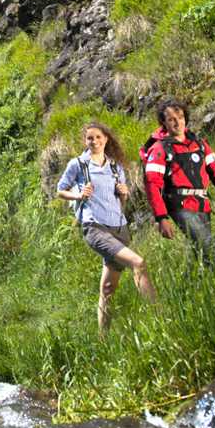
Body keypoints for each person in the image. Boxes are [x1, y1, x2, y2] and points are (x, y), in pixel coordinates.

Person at [57, 122, 157, 331]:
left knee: (108, 289)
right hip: (94, 227)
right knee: (138, 263)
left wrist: (124, 193)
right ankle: (161, 319)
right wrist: (79, 194)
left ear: (106, 139)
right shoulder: (78, 165)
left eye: (98, 138)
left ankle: (103, 341)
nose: (94, 142)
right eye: (89, 138)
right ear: (85, 141)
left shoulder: (114, 167)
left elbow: (120, 203)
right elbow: (61, 190)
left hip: (120, 229)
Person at [143, 100, 215, 271]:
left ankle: (199, 290)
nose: (177, 122)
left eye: (180, 117)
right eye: (171, 119)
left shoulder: (200, 144)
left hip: (202, 204)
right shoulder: (159, 149)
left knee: (202, 256)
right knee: (211, 247)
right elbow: (152, 185)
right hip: (179, 206)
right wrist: (161, 218)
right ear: (163, 123)